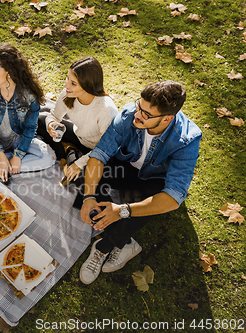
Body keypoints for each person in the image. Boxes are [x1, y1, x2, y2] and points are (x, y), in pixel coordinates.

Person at [77, 80, 202, 284]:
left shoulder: (186, 140)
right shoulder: (128, 116)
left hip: (154, 183)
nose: (137, 115)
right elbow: (99, 155)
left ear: (166, 119)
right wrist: (89, 195)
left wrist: (123, 211)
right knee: (86, 177)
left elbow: (172, 198)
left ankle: (104, 246)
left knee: (154, 200)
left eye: (146, 114)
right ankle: (125, 242)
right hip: (127, 169)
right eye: (139, 106)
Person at [0, 43, 55, 181]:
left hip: (16, 140)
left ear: (8, 70)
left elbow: (30, 128)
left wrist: (18, 155)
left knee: (49, 157)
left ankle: (4, 165)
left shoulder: (29, 94)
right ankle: (7, 164)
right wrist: (0, 155)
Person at [36, 57, 118, 185]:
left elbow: (106, 148)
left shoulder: (105, 110)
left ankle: (68, 151)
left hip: (99, 151)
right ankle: (68, 150)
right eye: (67, 78)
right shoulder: (67, 94)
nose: (66, 85)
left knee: (80, 179)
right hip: (79, 137)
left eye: (73, 83)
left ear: (88, 86)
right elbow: (54, 115)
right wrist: (51, 124)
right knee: (40, 119)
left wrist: (79, 164)